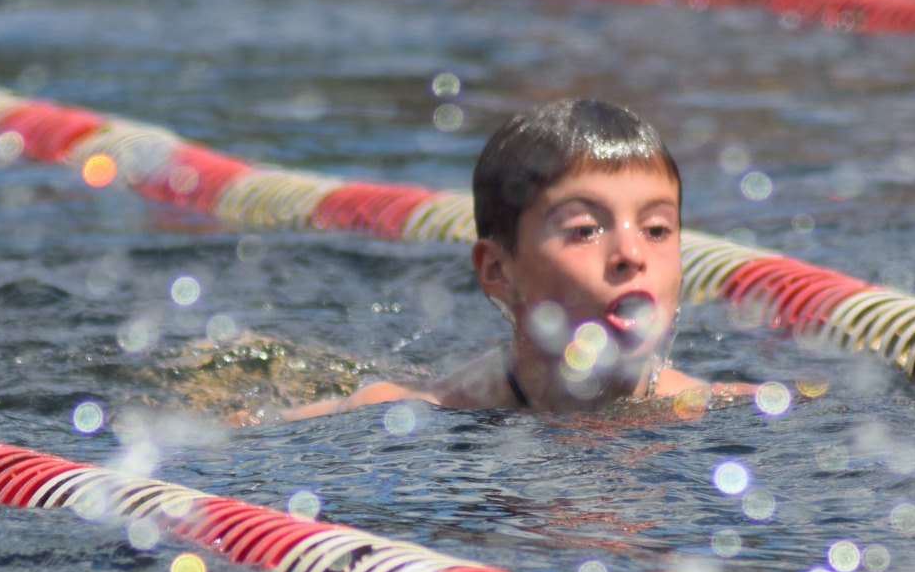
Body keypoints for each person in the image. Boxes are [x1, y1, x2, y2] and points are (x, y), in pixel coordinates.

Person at [285, 98, 734, 419]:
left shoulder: (712, 409)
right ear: (498, 272)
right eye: (584, 230)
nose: (631, 255)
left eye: (656, 230)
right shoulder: (417, 414)